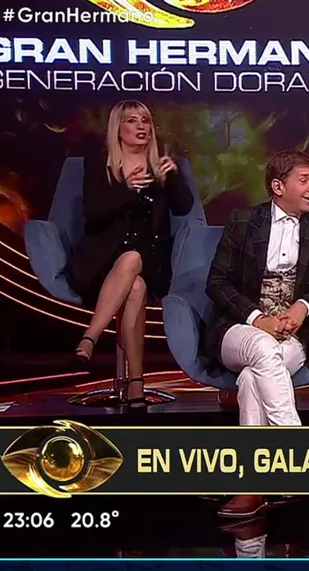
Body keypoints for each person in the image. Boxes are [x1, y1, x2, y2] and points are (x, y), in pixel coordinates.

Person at [204, 149, 309, 518]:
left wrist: (303, 307)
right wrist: (256, 318)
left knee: (253, 379)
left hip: (294, 335)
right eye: (305, 180)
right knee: (262, 351)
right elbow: (217, 283)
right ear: (278, 186)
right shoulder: (243, 221)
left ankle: (250, 488)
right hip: (240, 329)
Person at [67, 100, 194, 411]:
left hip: (151, 261)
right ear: (118, 129)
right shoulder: (100, 164)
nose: (141, 127)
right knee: (133, 280)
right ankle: (136, 382)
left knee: (135, 265)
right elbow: (93, 213)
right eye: (132, 121)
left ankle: (90, 338)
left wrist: (173, 177)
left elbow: (184, 208)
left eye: (145, 121)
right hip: (101, 263)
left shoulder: (159, 164)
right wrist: (125, 189)